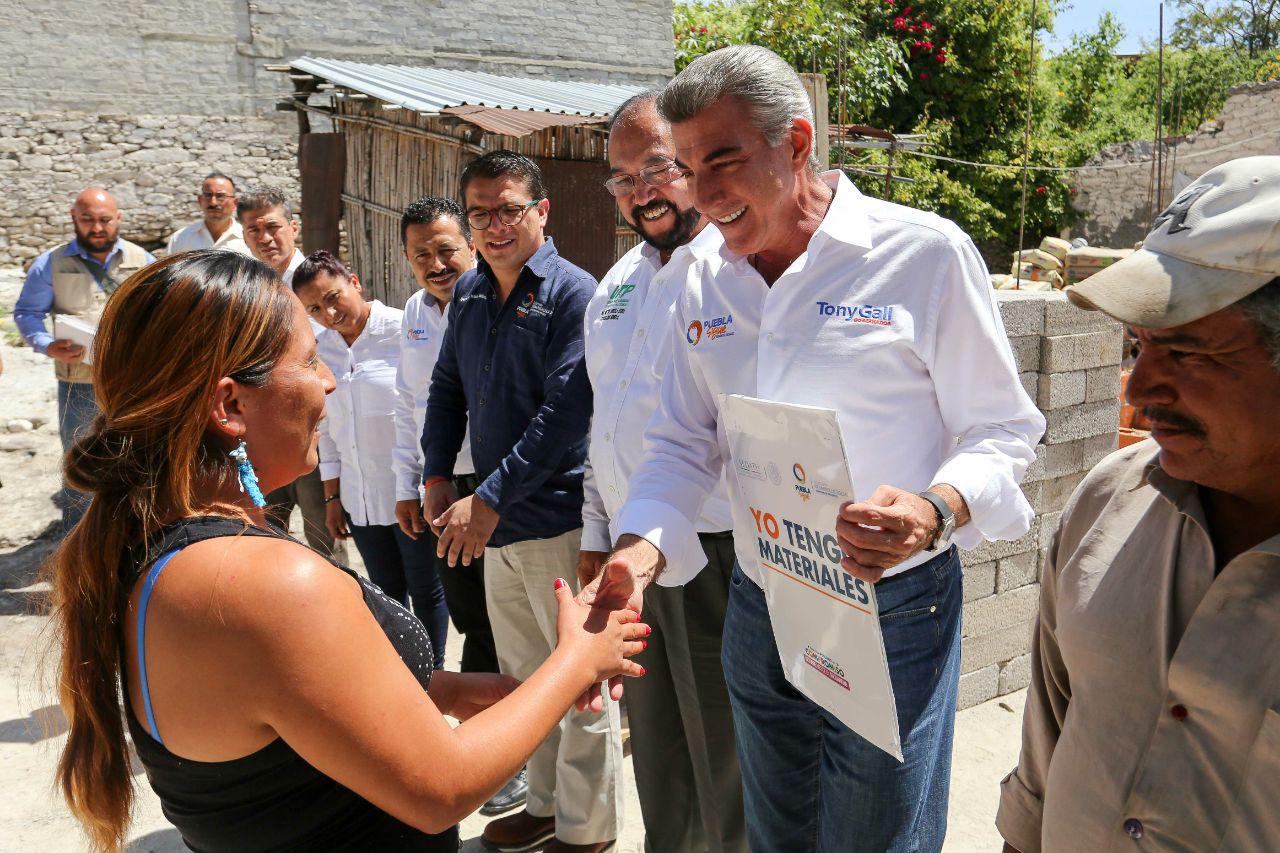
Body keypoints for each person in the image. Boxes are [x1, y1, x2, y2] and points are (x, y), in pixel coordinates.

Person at [580, 45, 1046, 852]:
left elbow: (1004, 430)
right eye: (688, 167)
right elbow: (684, 441)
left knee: (873, 838)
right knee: (775, 833)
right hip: (760, 600)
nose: (704, 192)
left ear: (797, 143)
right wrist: (639, 549)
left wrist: (936, 508)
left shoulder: (922, 256)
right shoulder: (702, 278)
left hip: (891, 605)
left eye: (723, 159)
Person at [46, 249, 650, 853]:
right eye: (308, 360)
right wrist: (579, 657)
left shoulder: (162, 553)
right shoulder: (266, 584)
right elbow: (442, 789)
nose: (328, 379)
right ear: (231, 406)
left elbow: (275, 706)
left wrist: (437, 690)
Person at [997, 157, 1280, 852]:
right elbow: (1047, 748)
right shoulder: (1104, 503)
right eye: (1141, 344)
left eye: (1185, 352)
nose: (1138, 387)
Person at [422, 150, 620, 853]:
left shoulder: (574, 293)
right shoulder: (473, 292)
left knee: (576, 682)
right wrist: (437, 472)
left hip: (558, 521)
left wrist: (491, 496)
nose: (495, 224)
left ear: (542, 210)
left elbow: (566, 411)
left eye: (509, 208)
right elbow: (448, 386)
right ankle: (543, 805)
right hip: (496, 526)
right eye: (480, 212)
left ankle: (588, 828)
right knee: (523, 680)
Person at [581, 92, 744, 853]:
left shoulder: (739, 272)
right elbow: (601, 418)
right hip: (631, 554)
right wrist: (597, 529)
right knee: (657, 744)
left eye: (656, 167)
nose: (641, 190)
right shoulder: (613, 288)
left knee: (727, 748)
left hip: (718, 548)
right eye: (622, 178)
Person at [292, 250, 451, 669]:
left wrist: (425, 485)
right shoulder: (320, 348)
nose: (328, 312)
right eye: (314, 308)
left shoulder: (403, 330)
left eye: (333, 297)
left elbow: (428, 412)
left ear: (355, 283)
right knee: (383, 591)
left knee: (426, 588)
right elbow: (327, 430)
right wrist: (332, 498)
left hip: (409, 490)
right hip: (359, 498)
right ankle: (399, 677)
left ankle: (434, 679)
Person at [13, 186, 154, 530]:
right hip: (78, 384)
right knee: (82, 467)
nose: (96, 228)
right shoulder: (51, 262)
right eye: (87, 219)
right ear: (73, 218)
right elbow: (27, 312)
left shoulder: (144, 262)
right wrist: (47, 344)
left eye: (104, 220)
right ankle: (80, 547)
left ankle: (133, 540)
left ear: (118, 219)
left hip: (131, 383)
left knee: (138, 462)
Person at [236, 187, 342, 559]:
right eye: (254, 230)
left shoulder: (320, 282)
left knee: (325, 540)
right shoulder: (247, 288)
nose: (265, 238)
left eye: (273, 227)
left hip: (317, 431)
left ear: (293, 227)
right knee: (267, 536)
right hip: (265, 432)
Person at [165, 172, 251, 256]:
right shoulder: (180, 239)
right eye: (208, 195)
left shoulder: (250, 240)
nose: (213, 203)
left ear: (235, 203)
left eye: (221, 196)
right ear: (200, 200)